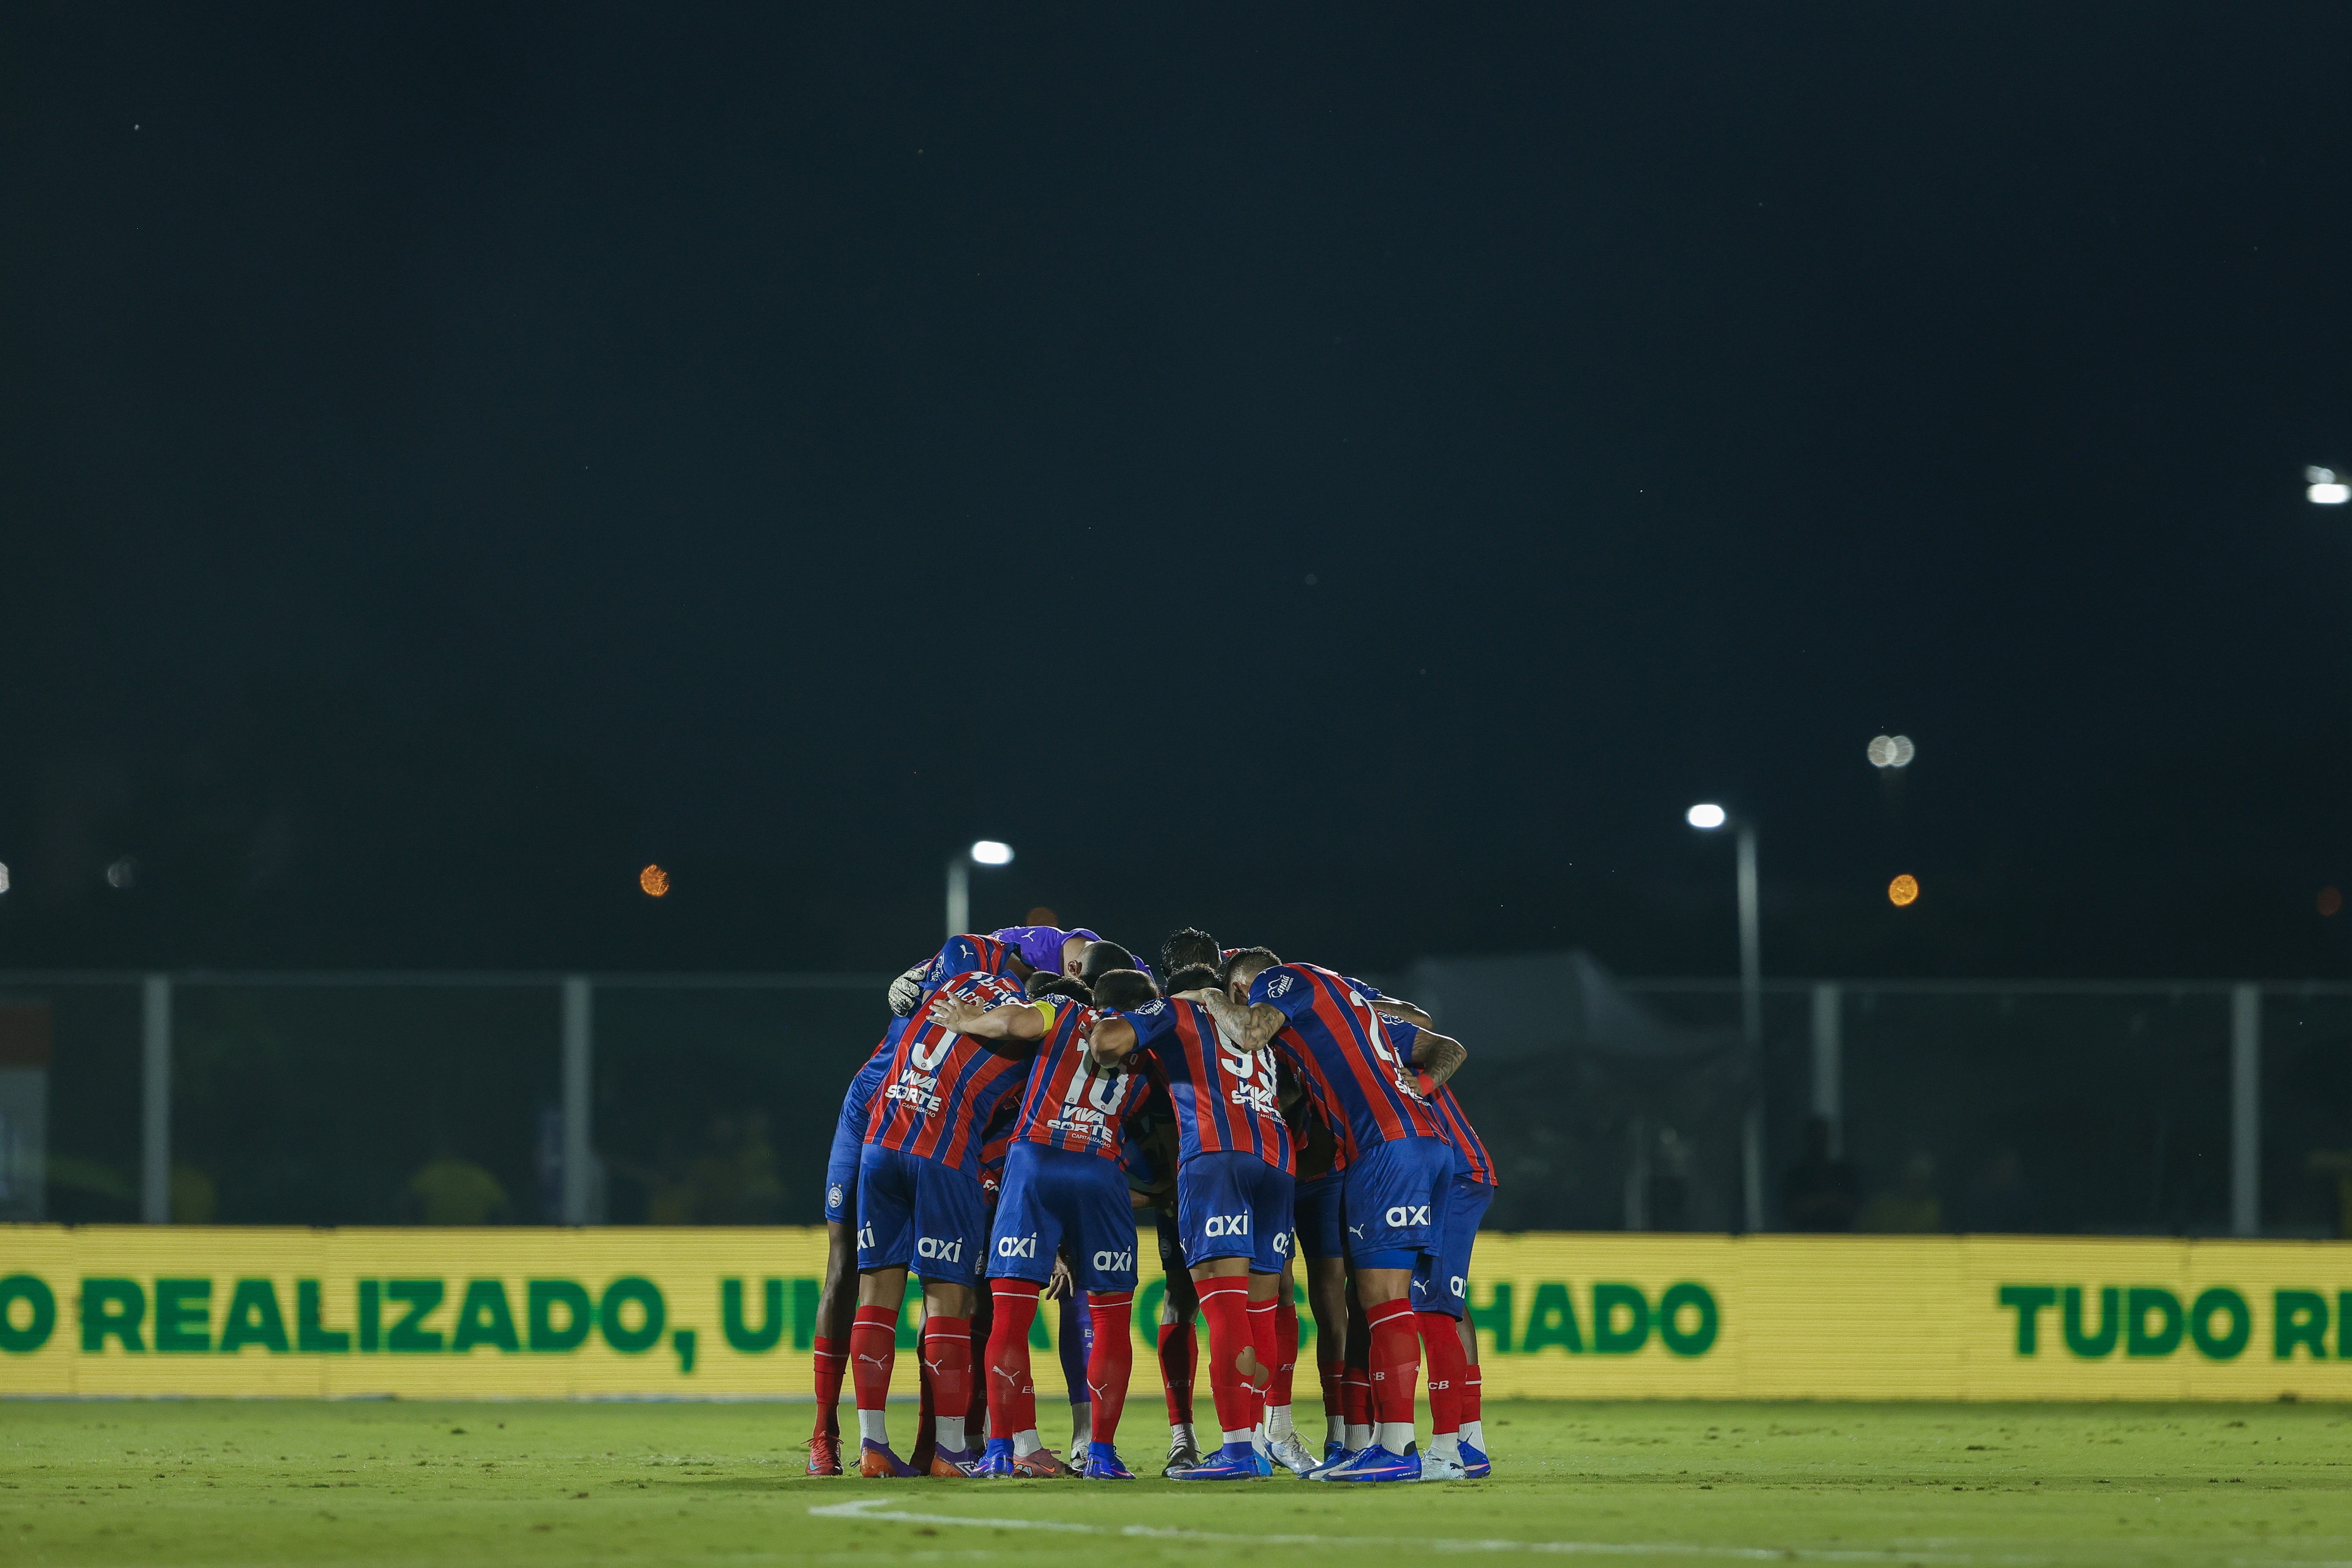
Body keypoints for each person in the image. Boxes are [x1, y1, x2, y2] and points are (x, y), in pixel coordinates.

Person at [1204, 948, 1466, 1483]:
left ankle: (1396, 1448)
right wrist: (1422, 1089)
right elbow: (1437, 1038)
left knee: (1381, 1299)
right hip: (1425, 1142)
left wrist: (1208, 997)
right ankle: (1408, 1446)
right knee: (1396, 1298)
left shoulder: (1282, 981)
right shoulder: (1352, 1005)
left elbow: (1249, 1033)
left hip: (1385, 1148)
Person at [807, 930, 1034, 1476]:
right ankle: (950, 1450)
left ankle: (872, 1446)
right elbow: (1019, 1038)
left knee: (874, 1291)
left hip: (882, 1137)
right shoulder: (1029, 1019)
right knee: (947, 1299)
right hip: (942, 1149)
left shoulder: (945, 985)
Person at [930, 968, 1158, 1481]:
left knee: (1010, 1318)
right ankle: (1099, 1451)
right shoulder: (1153, 1049)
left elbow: (1017, 1021)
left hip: (1033, 1162)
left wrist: (970, 1019)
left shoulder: (1065, 1011)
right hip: (1101, 1170)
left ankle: (996, 1450)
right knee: (1109, 1320)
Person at [1089, 963, 1297, 1481]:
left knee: (1223, 1309)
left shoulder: (1174, 1007)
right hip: (1277, 1159)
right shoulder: (1250, 1024)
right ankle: (1254, 1439)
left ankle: (1235, 1450)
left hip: (1216, 1155)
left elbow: (1106, 1043)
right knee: (1261, 1311)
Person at [1402, 1028, 1497, 1480]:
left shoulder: (1377, 1032)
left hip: (1455, 1174)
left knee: (1431, 1304)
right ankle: (1468, 1439)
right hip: (1446, 1175)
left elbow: (1443, 1037)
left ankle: (1445, 1450)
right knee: (1446, 1302)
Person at [1780, 1114, 1861, 1234]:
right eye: (1816, 1137)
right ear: (1808, 1140)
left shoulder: (1844, 1173)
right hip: (1803, 1240)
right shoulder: (1796, 1176)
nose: (1820, 1142)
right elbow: (1792, 1211)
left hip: (1842, 1240)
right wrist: (1826, 1201)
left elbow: (1855, 1208)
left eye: (1823, 1136)